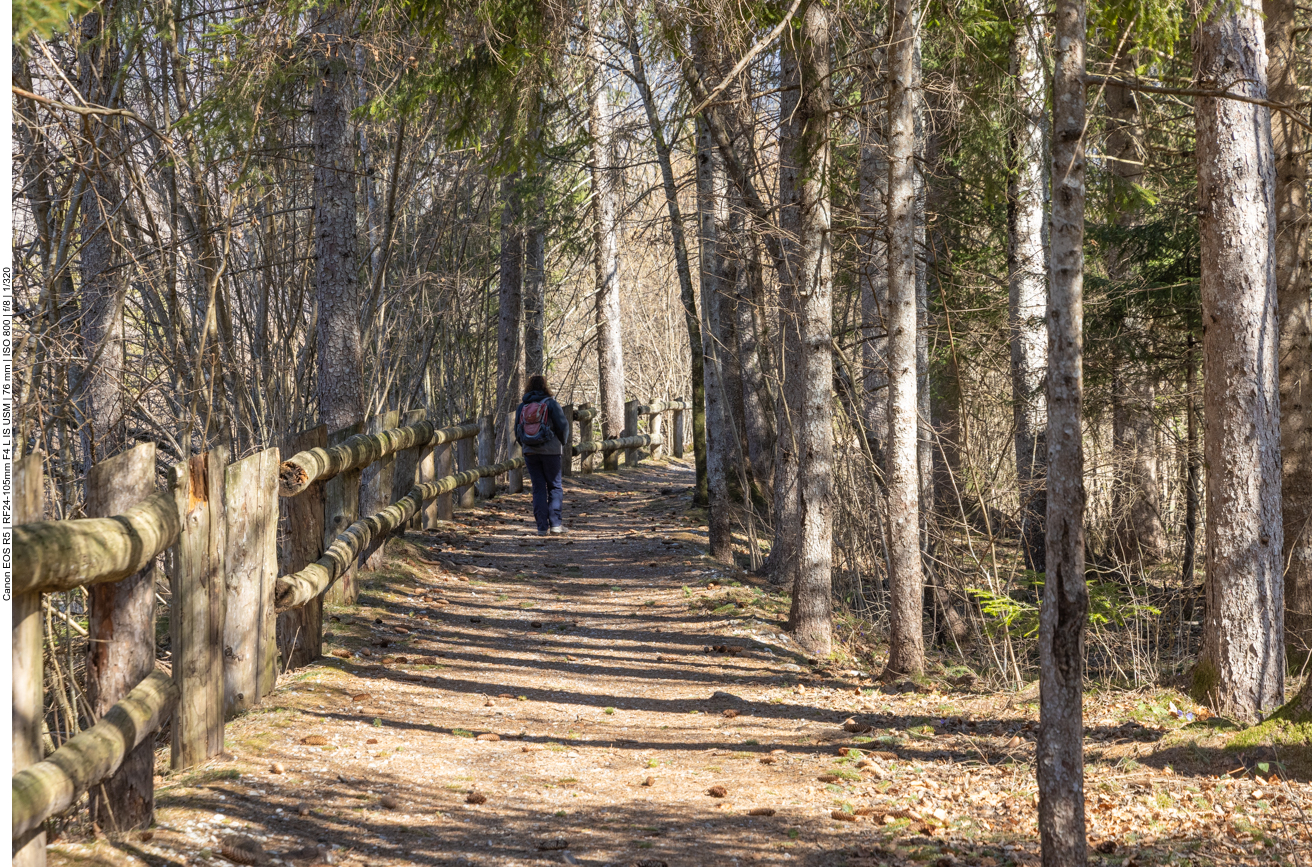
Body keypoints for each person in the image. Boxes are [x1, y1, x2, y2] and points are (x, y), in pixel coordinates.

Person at [515, 375, 571, 535]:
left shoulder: (522, 406)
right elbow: (562, 426)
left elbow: (517, 431)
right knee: (554, 486)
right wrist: (561, 442)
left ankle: (541, 527)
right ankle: (556, 525)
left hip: (530, 452)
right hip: (551, 452)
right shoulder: (551, 404)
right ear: (545, 386)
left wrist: (526, 445)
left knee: (538, 488)